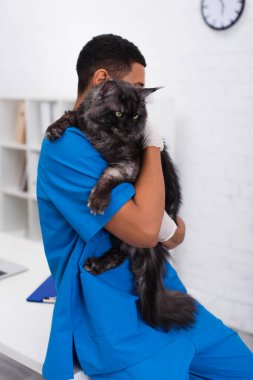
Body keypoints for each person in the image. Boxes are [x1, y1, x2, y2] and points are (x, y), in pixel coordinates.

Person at [36, 34, 253, 380]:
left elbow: (169, 229)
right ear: (104, 81)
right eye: (136, 87)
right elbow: (148, 229)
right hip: (115, 324)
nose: (140, 100)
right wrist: (151, 139)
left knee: (244, 367)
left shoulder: (119, 133)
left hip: (160, 291)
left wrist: (167, 226)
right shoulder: (66, 146)